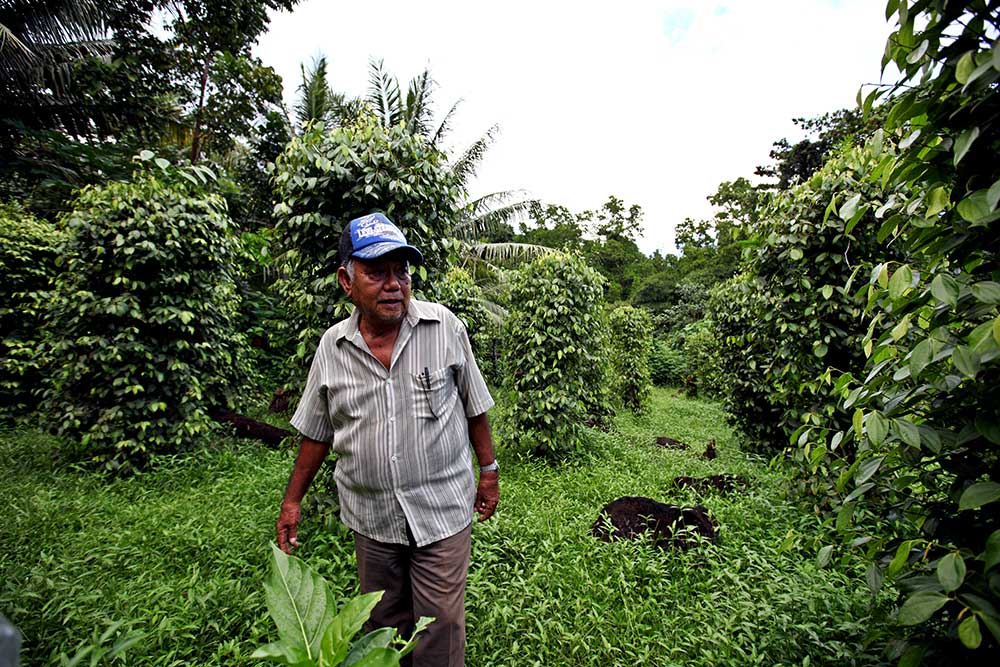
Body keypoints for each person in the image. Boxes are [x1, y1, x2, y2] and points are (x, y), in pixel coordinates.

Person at [275, 212, 499, 667]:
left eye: (402, 271)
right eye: (377, 273)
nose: (394, 284)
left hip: (440, 512)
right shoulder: (332, 348)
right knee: (382, 627)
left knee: (440, 630)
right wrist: (292, 501)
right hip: (372, 518)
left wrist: (489, 471)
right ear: (346, 280)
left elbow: (475, 406)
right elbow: (316, 431)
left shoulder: (445, 329)